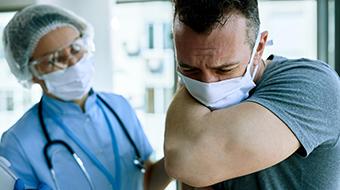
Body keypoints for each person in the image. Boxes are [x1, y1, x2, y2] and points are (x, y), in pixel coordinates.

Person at [163, 0, 340, 189]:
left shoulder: (313, 83)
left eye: (225, 69)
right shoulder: (196, 112)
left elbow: (186, 163)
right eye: (189, 69)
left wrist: (186, 87)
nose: (207, 84)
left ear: (260, 47)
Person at [0, 4, 171, 190]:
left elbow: (147, 181)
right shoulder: (18, 141)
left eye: (75, 49)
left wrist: (175, 163)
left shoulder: (119, 106)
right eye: (55, 59)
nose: (73, 63)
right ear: (31, 72)